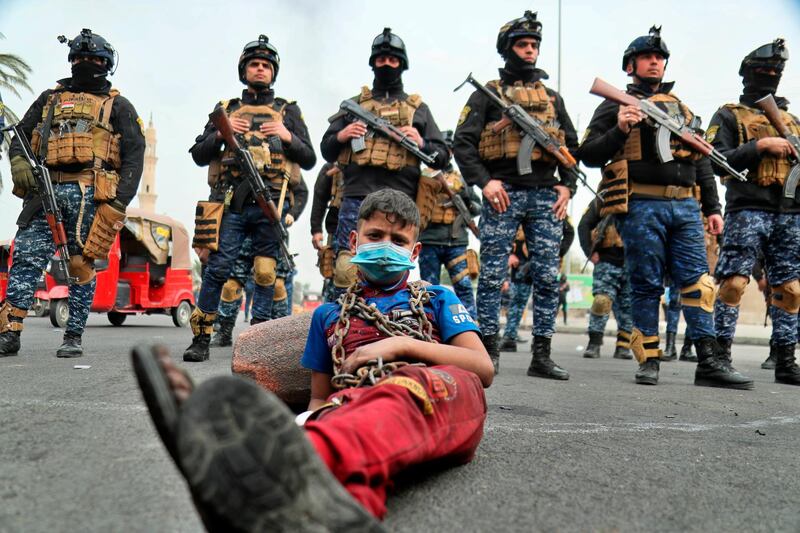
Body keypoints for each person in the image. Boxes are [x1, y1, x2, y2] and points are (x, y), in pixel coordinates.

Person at [132, 189, 493, 530]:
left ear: (414, 253)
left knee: (404, 391)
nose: (386, 247)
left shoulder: (437, 297)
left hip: (443, 398)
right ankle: (324, 514)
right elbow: (320, 397)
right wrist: (308, 417)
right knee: (349, 426)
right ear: (353, 243)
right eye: (375, 235)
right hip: (361, 407)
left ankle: (271, 467)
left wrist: (401, 345)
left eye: (398, 241)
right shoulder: (329, 315)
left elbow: (482, 369)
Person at [578, 26, 752, 388]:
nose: (655, 62)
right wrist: (620, 130)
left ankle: (708, 360)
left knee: (698, 284)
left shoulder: (681, 109)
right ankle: (649, 360)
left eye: (659, 57)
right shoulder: (614, 104)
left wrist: (712, 207)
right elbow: (588, 155)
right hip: (641, 204)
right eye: (647, 57)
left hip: (686, 207)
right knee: (645, 284)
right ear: (631, 66)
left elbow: (701, 159)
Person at [0, 29, 144, 358]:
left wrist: (119, 202)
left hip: (91, 195)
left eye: (92, 59)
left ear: (105, 64)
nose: (84, 63)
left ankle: (74, 335)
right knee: (25, 260)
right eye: (78, 58)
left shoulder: (118, 105)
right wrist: (20, 163)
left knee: (82, 265)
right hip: (45, 191)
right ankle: (9, 331)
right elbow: (20, 136)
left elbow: (134, 154)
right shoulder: (50, 99)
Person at [453, 11, 577, 378]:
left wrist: (567, 184)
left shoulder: (552, 98)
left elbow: (570, 144)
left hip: (544, 195)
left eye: (534, 45)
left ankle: (542, 354)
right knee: (491, 275)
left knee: (546, 277)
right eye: (522, 44)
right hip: (502, 193)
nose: (530, 51)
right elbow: (463, 143)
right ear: (507, 49)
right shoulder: (487, 94)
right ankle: (487, 352)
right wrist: (484, 181)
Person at [185, 34, 315, 362]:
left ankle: (258, 343)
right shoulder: (228, 109)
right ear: (244, 70)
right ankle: (201, 337)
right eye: (254, 64)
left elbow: (310, 157)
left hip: (270, 203)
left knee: (267, 273)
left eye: (266, 65)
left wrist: (287, 136)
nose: (260, 69)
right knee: (217, 270)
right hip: (230, 203)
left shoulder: (287, 111)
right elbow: (199, 154)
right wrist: (220, 133)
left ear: (274, 72)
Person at [320, 27, 449, 296]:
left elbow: (442, 155)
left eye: (392, 60)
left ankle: (392, 320)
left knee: (396, 265)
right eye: (381, 60)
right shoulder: (353, 106)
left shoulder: (418, 110)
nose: (387, 64)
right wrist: (343, 134)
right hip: (356, 194)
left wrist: (421, 141)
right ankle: (343, 324)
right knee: (346, 268)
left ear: (402, 64)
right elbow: (326, 150)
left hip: (402, 196)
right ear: (373, 63)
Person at [708, 39, 800, 386]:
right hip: (747, 208)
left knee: (790, 291)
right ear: (747, 73)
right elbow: (716, 160)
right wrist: (759, 145)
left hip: (789, 213)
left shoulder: (792, 121)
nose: (769, 76)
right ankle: (719, 357)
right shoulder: (729, 114)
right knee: (733, 283)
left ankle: (786, 359)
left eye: (775, 72)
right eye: (762, 71)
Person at [418, 130, 481, 320]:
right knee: (429, 288)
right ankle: (429, 325)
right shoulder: (423, 177)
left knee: (463, 286)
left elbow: (477, 207)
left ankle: (471, 325)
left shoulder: (461, 179)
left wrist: (465, 202)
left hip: (456, 242)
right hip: (429, 240)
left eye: (448, 148)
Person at [577, 198, 634, 359]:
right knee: (601, 301)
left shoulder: (641, 194)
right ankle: (594, 343)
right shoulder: (604, 198)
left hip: (632, 261)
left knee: (629, 306)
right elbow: (584, 225)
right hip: (607, 260)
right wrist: (589, 250)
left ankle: (623, 346)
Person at [310, 162, 344, 302]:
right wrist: (316, 229)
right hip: (337, 228)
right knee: (334, 276)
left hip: (373, 228)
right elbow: (320, 194)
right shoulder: (335, 163)